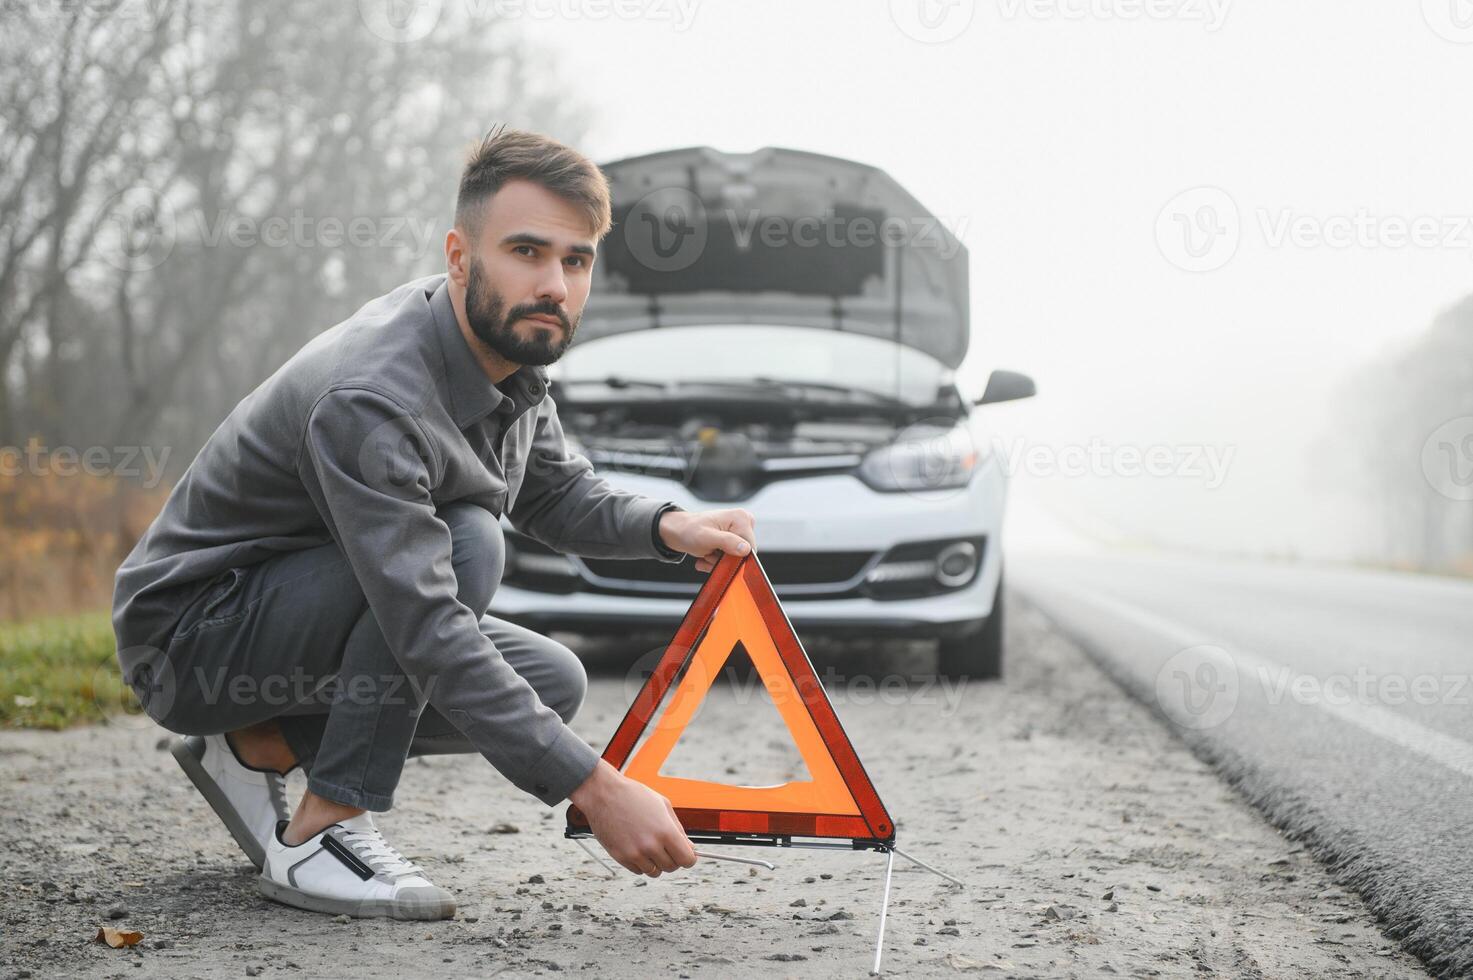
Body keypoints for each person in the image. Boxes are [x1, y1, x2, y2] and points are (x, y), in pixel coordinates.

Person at [110, 126, 758, 921]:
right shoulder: (373, 397)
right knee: (467, 543)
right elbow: (424, 623)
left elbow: (555, 493)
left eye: (576, 259)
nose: (554, 283)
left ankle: (256, 745)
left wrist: (667, 527)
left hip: (285, 616)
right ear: (460, 255)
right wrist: (595, 787)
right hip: (191, 633)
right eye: (526, 251)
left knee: (553, 682)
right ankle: (321, 831)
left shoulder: (508, 357)